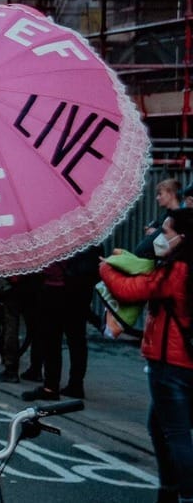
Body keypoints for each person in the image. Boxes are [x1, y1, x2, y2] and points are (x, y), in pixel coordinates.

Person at [102, 208, 193, 503]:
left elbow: (131, 290)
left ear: (183, 237)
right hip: (184, 362)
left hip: (171, 363)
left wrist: (106, 268)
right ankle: (168, 489)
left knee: (175, 433)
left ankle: (185, 493)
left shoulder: (177, 271)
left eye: (165, 232)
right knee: (159, 426)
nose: (159, 237)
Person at [22, 246, 100, 401]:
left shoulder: (55, 238)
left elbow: (48, 268)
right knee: (77, 340)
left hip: (55, 291)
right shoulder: (86, 238)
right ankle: (76, 384)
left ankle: (51, 387)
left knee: (52, 341)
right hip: (79, 293)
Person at [137, 179, 185, 259]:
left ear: (171, 194)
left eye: (160, 194)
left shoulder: (180, 217)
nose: (157, 198)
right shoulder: (165, 215)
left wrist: (157, 233)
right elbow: (150, 229)